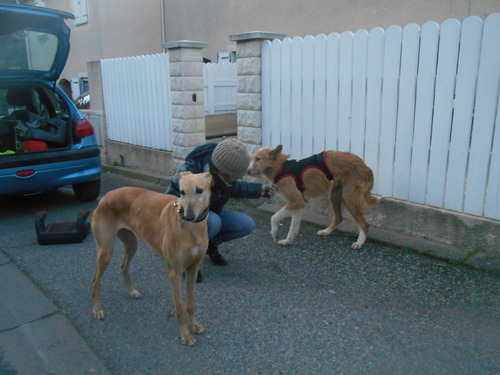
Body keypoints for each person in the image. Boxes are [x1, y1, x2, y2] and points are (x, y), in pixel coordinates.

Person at [166, 139, 275, 280]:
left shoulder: (222, 175)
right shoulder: (191, 172)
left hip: (208, 214)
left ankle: (208, 244)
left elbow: (234, 187)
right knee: (213, 221)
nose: (241, 176)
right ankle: (185, 259)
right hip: (184, 219)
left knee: (246, 224)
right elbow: (170, 199)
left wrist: (259, 190)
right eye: (237, 175)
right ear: (223, 172)